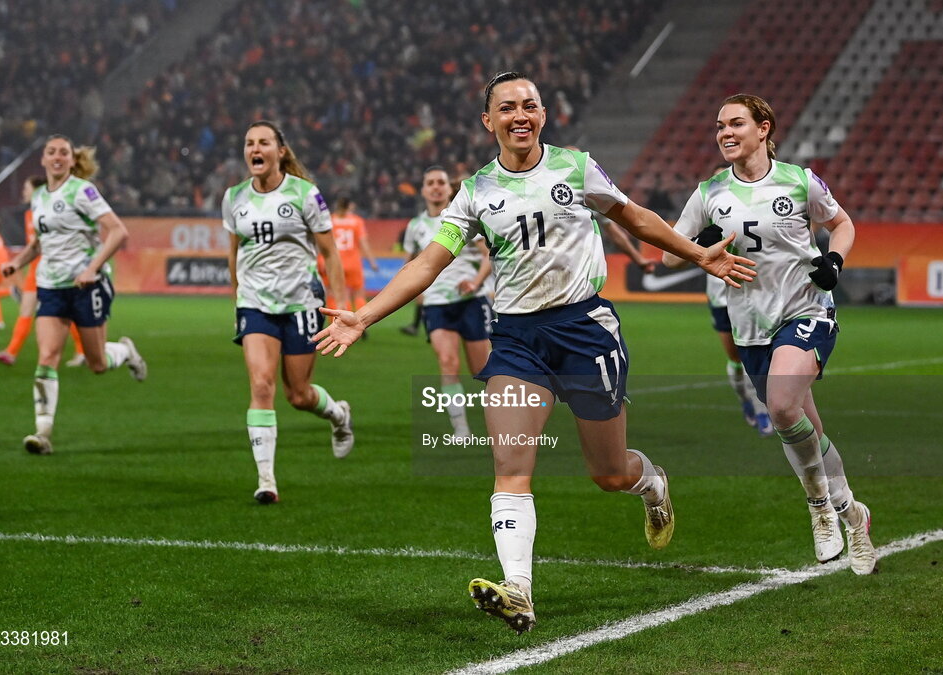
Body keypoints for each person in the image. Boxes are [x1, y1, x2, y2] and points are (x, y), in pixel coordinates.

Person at [313, 72, 755, 633]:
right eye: (507, 108)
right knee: (511, 465)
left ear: (543, 115)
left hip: (585, 331)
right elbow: (429, 263)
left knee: (609, 474)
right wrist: (366, 313)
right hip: (519, 339)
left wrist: (700, 256)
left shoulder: (575, 166)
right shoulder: (474, 192)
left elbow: (633, 216)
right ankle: (518, 588)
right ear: (489, 121)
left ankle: (653, 483)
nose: (519, 115)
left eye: (529, 106)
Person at [661, 93, 876, 575]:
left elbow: (841, 224)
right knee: (802, 425)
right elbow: (668, 256)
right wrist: (699, 246)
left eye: (736, 123)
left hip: (806, 311)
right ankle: (854, 515)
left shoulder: (798, 181)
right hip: (752, 327)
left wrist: (833, 261)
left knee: (780, 405)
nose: (725, 133)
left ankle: (819, 506)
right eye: (719, 126)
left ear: (763, 128)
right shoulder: (710, 193)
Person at [224, 120, 355, 505]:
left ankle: (339, 416)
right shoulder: (233, 197)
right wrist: (237, 298)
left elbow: (330, 253)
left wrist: (341, 306)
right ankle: (267, 480)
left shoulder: (304, 194)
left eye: (263, 142)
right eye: (249, 143)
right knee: (261, 386)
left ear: (280, 151)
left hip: (301, 303)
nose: (255, 149)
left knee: (297, 394)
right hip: (256, 304)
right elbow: (233, 254)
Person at [0, 135, 148, 456]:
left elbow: (118, 230)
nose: (57, 157)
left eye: (63, 153)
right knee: (47, 355)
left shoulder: (82, 190)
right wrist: (16, 263)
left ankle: (124, 351)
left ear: (71, 160)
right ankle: (43, 433)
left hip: (87, 286)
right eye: (51, 152)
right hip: (51, 286)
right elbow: (40, 242)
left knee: (96, 364)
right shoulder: (39, 196)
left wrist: (92, 268)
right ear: (42, 159)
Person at [403, 165, 493, 437]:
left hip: (472, 301)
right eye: (430, 182)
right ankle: (461, 429)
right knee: (448, 363)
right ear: (423, 190)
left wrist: (477, 283)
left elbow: (488, 256)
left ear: (447, 187)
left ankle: (503, 424)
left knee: (485, 370)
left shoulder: (463, 217)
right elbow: (409, 265)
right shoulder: (416, 226)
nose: (436, 186)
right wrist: (417, 292)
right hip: (437, 305)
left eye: (440, 182)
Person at [686, 164, 772, 436]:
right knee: (735, 358)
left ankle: (763, 411)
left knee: (757, 355)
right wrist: (699, 242)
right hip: (721, 294)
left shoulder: (754, 204)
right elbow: (679, 247)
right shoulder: (706, 204)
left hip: (753, 291)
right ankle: (746, 399)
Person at [0, 176, 86, 367]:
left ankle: (82, 351)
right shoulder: (29, 214)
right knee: (25, 309)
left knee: (66, 312)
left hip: (54, 270)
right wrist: (17, 264)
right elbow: (34, 246)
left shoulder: (52, 211)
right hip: (35, 270)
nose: (23, 192)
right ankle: (10, 353)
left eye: (26, 188)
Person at [329, 197, 379, 311]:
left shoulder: (330, 220)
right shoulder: (357, 221)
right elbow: (364, 243)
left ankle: (340, 323)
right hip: (353, 263)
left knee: (340, 295)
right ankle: (361, 323)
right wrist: (372, 262)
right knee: (359, 294)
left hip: (336, 263)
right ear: (350, 205)